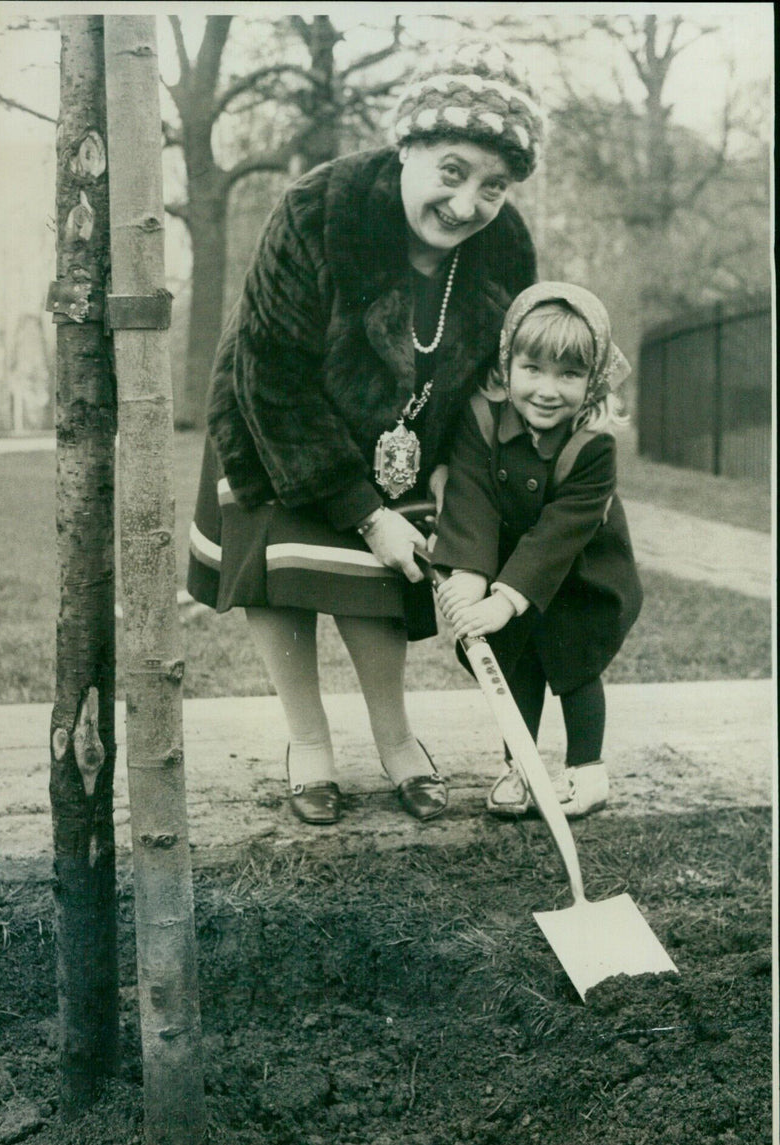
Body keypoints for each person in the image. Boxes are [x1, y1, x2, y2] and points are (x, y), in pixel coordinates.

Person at [187, 42, 545, 825]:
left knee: (379, 583)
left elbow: (494, 379)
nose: (467, 202)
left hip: (403, 435)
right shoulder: (321, 209)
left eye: (493, 185)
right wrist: (364, 509)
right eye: (452, 170)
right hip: (274, 420)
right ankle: (307, 744)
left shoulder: (507, 246)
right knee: (284, 560)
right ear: (407, 147)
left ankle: (396, 740)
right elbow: (273, 376)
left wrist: (454, 475)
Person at [432, 282, 643, 820]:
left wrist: (504, 598)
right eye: (534, 370)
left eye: (569, 375)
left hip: (581, 569)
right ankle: (520, 769)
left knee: (576, 662)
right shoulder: (481, 418)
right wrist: (469, 575)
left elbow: (559, 533)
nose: (549, 390)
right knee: (512, 661)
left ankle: (587, 771)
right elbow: (471, 496)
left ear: (592, 380)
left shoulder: (592, 444)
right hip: (502, 561)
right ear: (508, 367)